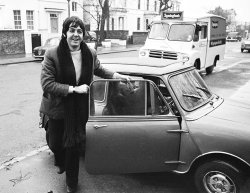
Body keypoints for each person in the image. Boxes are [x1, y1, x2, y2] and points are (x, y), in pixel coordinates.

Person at [39, 16, 129, 193]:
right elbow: (47, 84)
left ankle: (72, 183)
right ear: (65, 33)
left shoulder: (90, 53)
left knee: (73, 145)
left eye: (79, 31)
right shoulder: (52, 54)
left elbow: (99, 69)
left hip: (79, 109)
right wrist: (74, 89)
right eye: (72, 30)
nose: (76, 34)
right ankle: (60, 159)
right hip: (57, 108)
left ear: (83, 34)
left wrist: (117, 76)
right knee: (56, 144)